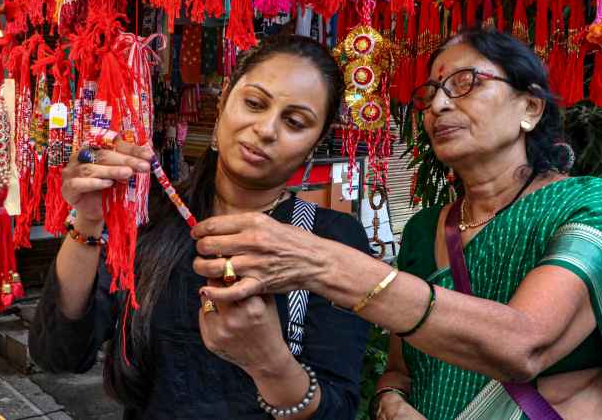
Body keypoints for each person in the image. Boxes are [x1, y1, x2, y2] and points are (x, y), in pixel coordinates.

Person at [189, 29, 602, 420]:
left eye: (465, 84)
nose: (438, 105)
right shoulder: (426, 230)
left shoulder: (593, 207)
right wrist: (390, 398)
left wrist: (317, 262)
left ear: (530, 107)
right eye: (431, 93)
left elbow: (526, 344)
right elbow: (402, 367)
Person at [30, 35, 371, 419]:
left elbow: (339, 407)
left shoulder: (329, 240)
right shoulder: (155, 216)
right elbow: (59, 354)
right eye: (254, 103)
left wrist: (271, 363)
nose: (266, 129)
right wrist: (88, 220)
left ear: (316, 141)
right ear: (225, 97)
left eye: (295, 122)